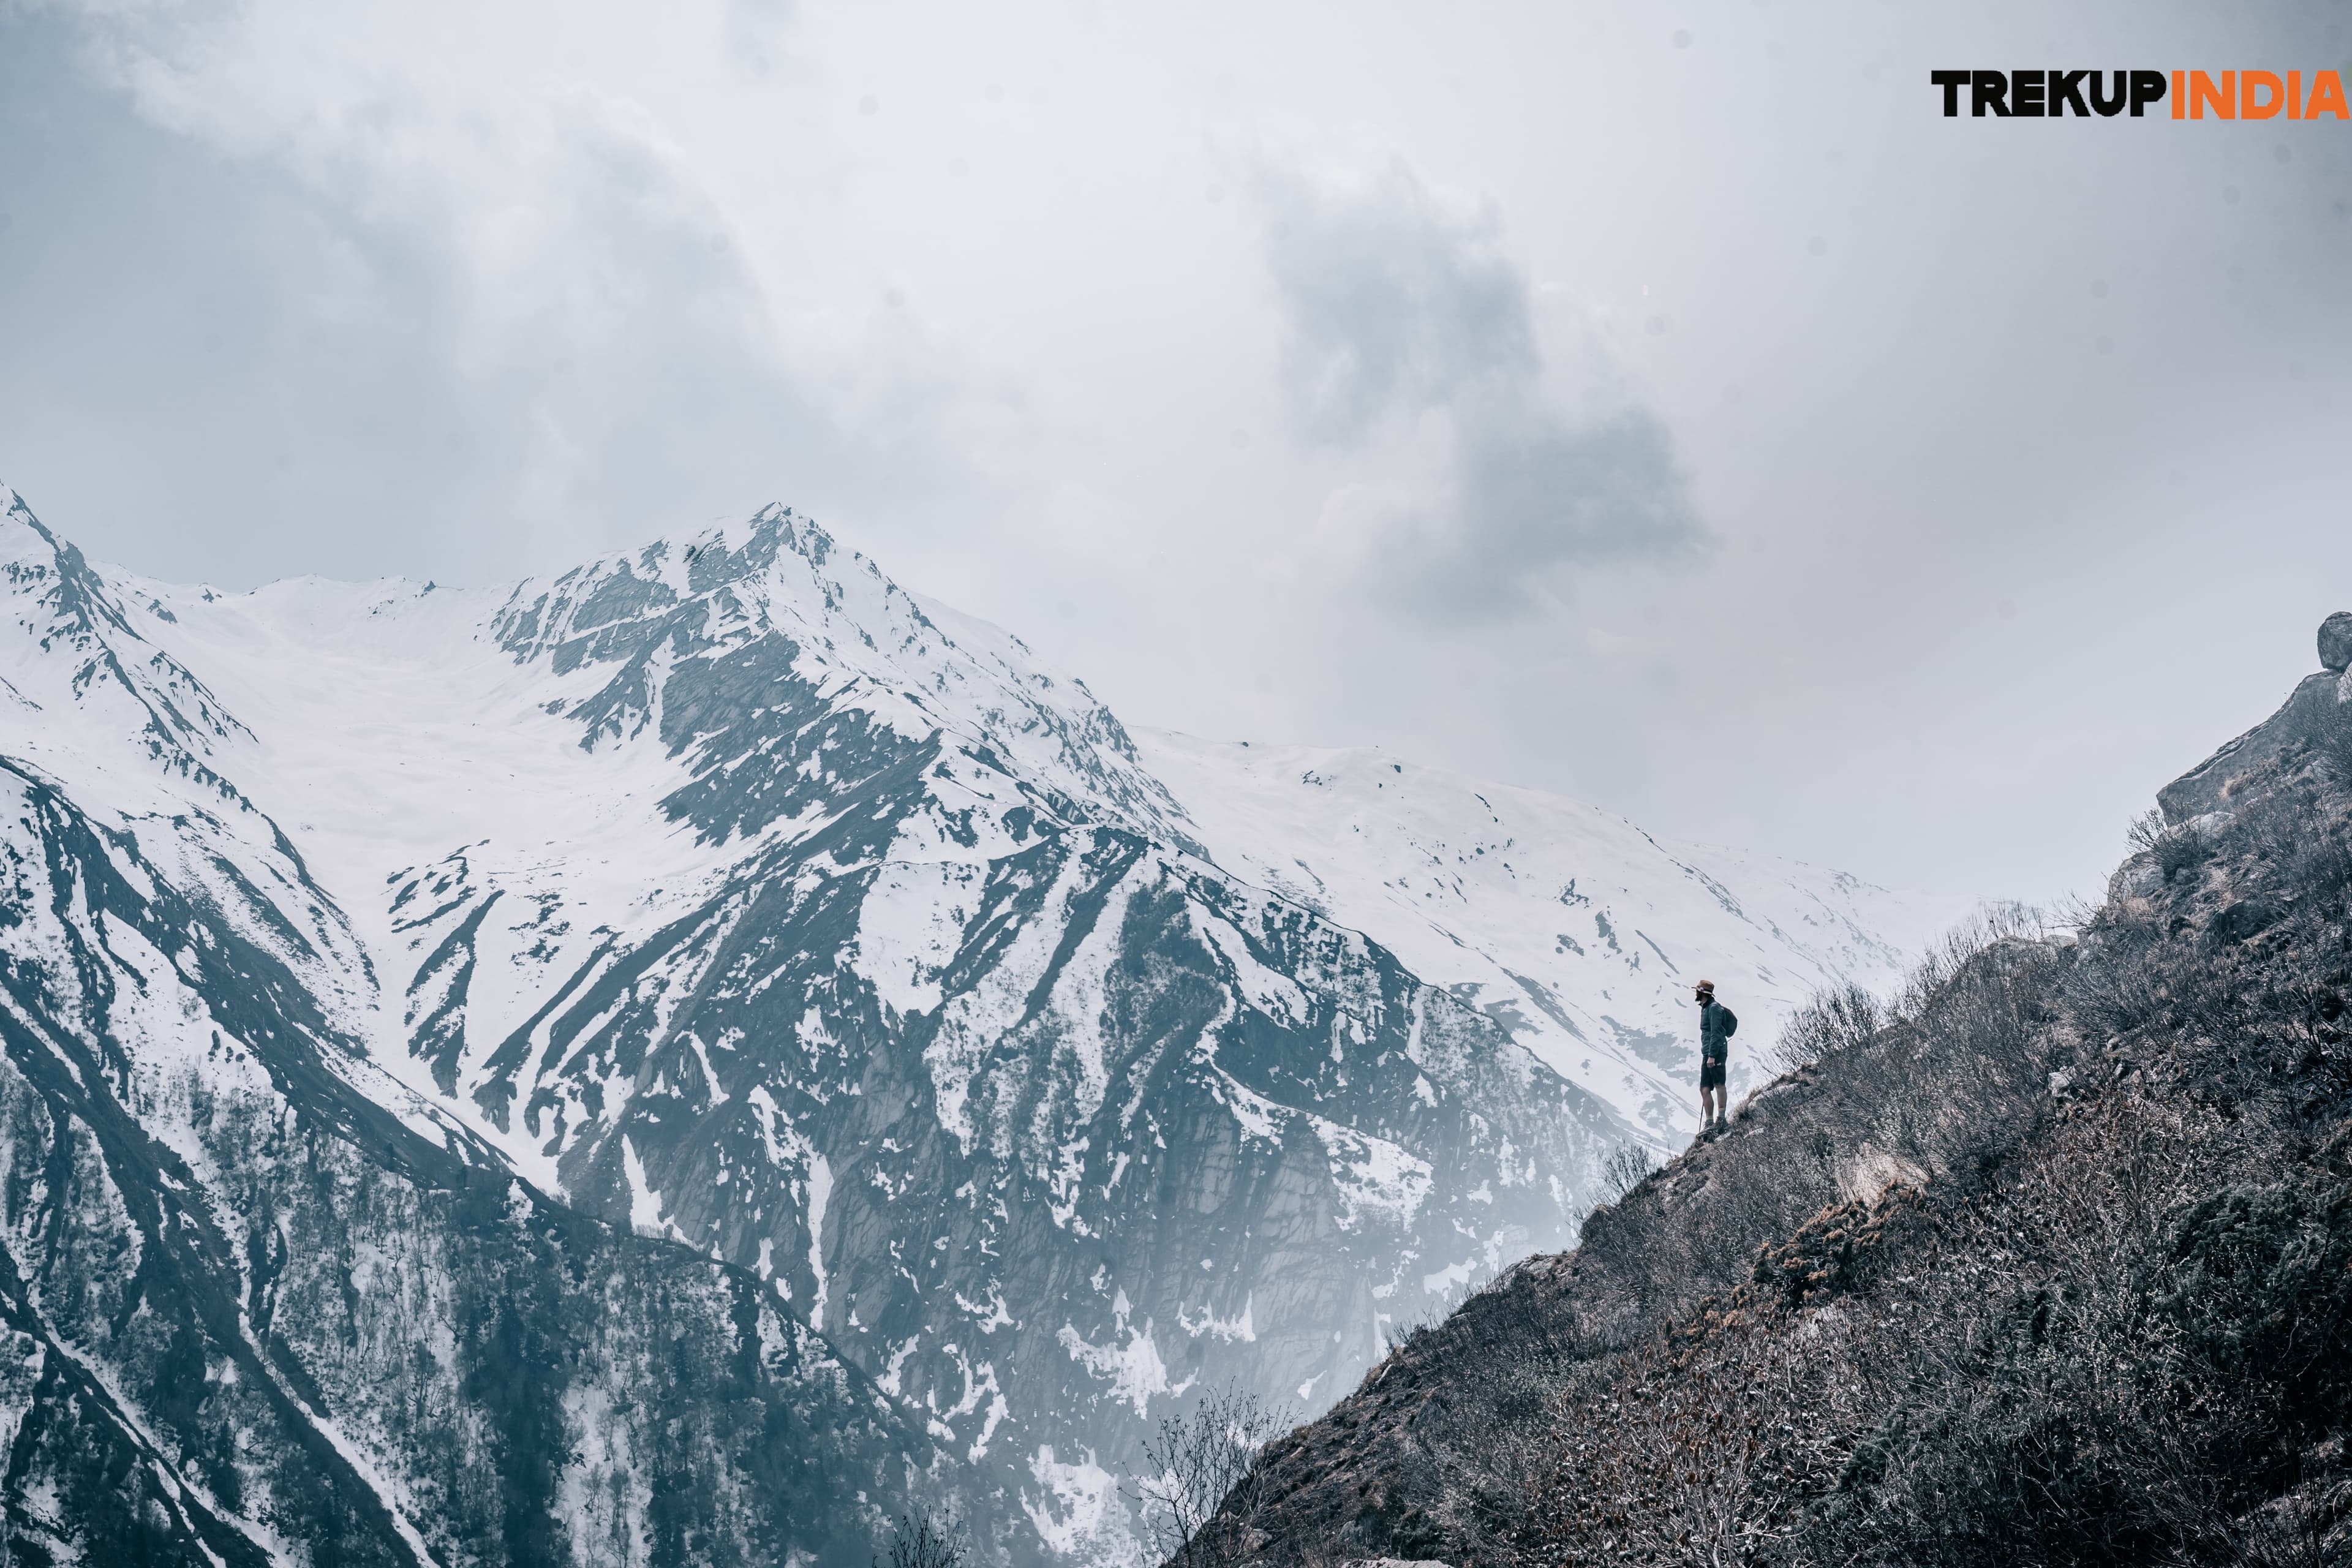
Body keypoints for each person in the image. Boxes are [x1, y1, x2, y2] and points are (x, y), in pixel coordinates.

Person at [1694, 979, 1737, 1133]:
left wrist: (1712, 1055)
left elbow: (1716, 1032)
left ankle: (1721, 1119)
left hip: (1716, 1052)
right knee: (1704, 1088)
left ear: (1702, 992)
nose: (1696, 993)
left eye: (1697, 991)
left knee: (1719, 1083)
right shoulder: (1706, 1008)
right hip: (1708, 1052)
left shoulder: (1714, 1009)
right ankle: (1710, 1121)